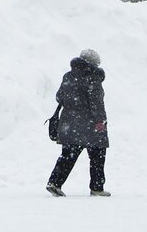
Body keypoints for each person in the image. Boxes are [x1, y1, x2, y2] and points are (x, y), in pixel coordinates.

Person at [46, 48, 109, 198]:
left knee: (68, 155)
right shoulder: (92, 77)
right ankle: (97, 188)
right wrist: (101, 121)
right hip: (90, 125)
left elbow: (59, 97)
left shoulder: (68, 76)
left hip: (69, 123)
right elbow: (97, 103)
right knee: (97, 156)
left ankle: (54, 183)